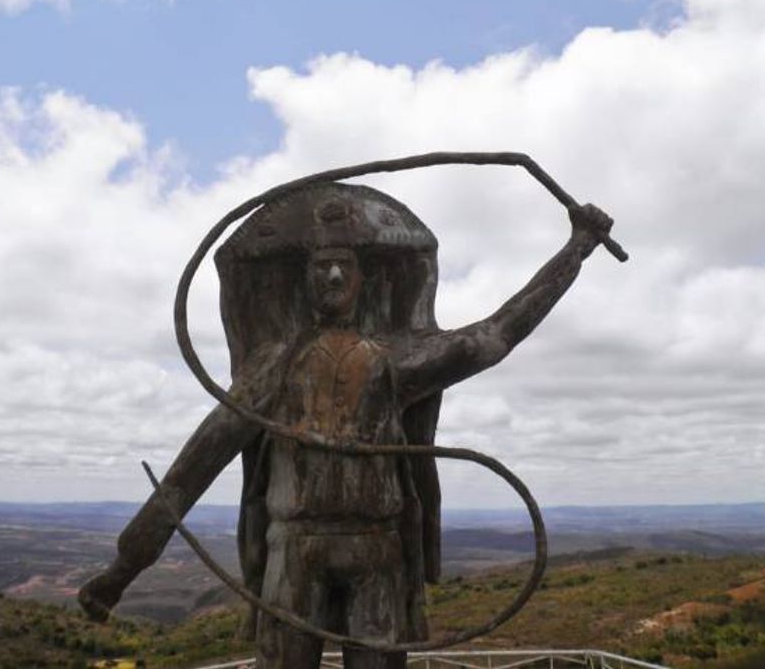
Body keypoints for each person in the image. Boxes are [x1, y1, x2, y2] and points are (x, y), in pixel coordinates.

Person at [79, 183, 612, 669]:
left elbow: (495, 336)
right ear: (304, 280)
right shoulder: (273, 366)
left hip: (377, 551)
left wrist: (576, 250)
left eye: (344, 267)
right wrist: (123, 571)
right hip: (294, 548)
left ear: (363, 281)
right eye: (320, 267)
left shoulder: (393, 361)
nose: (332, 276)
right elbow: (193, 467)